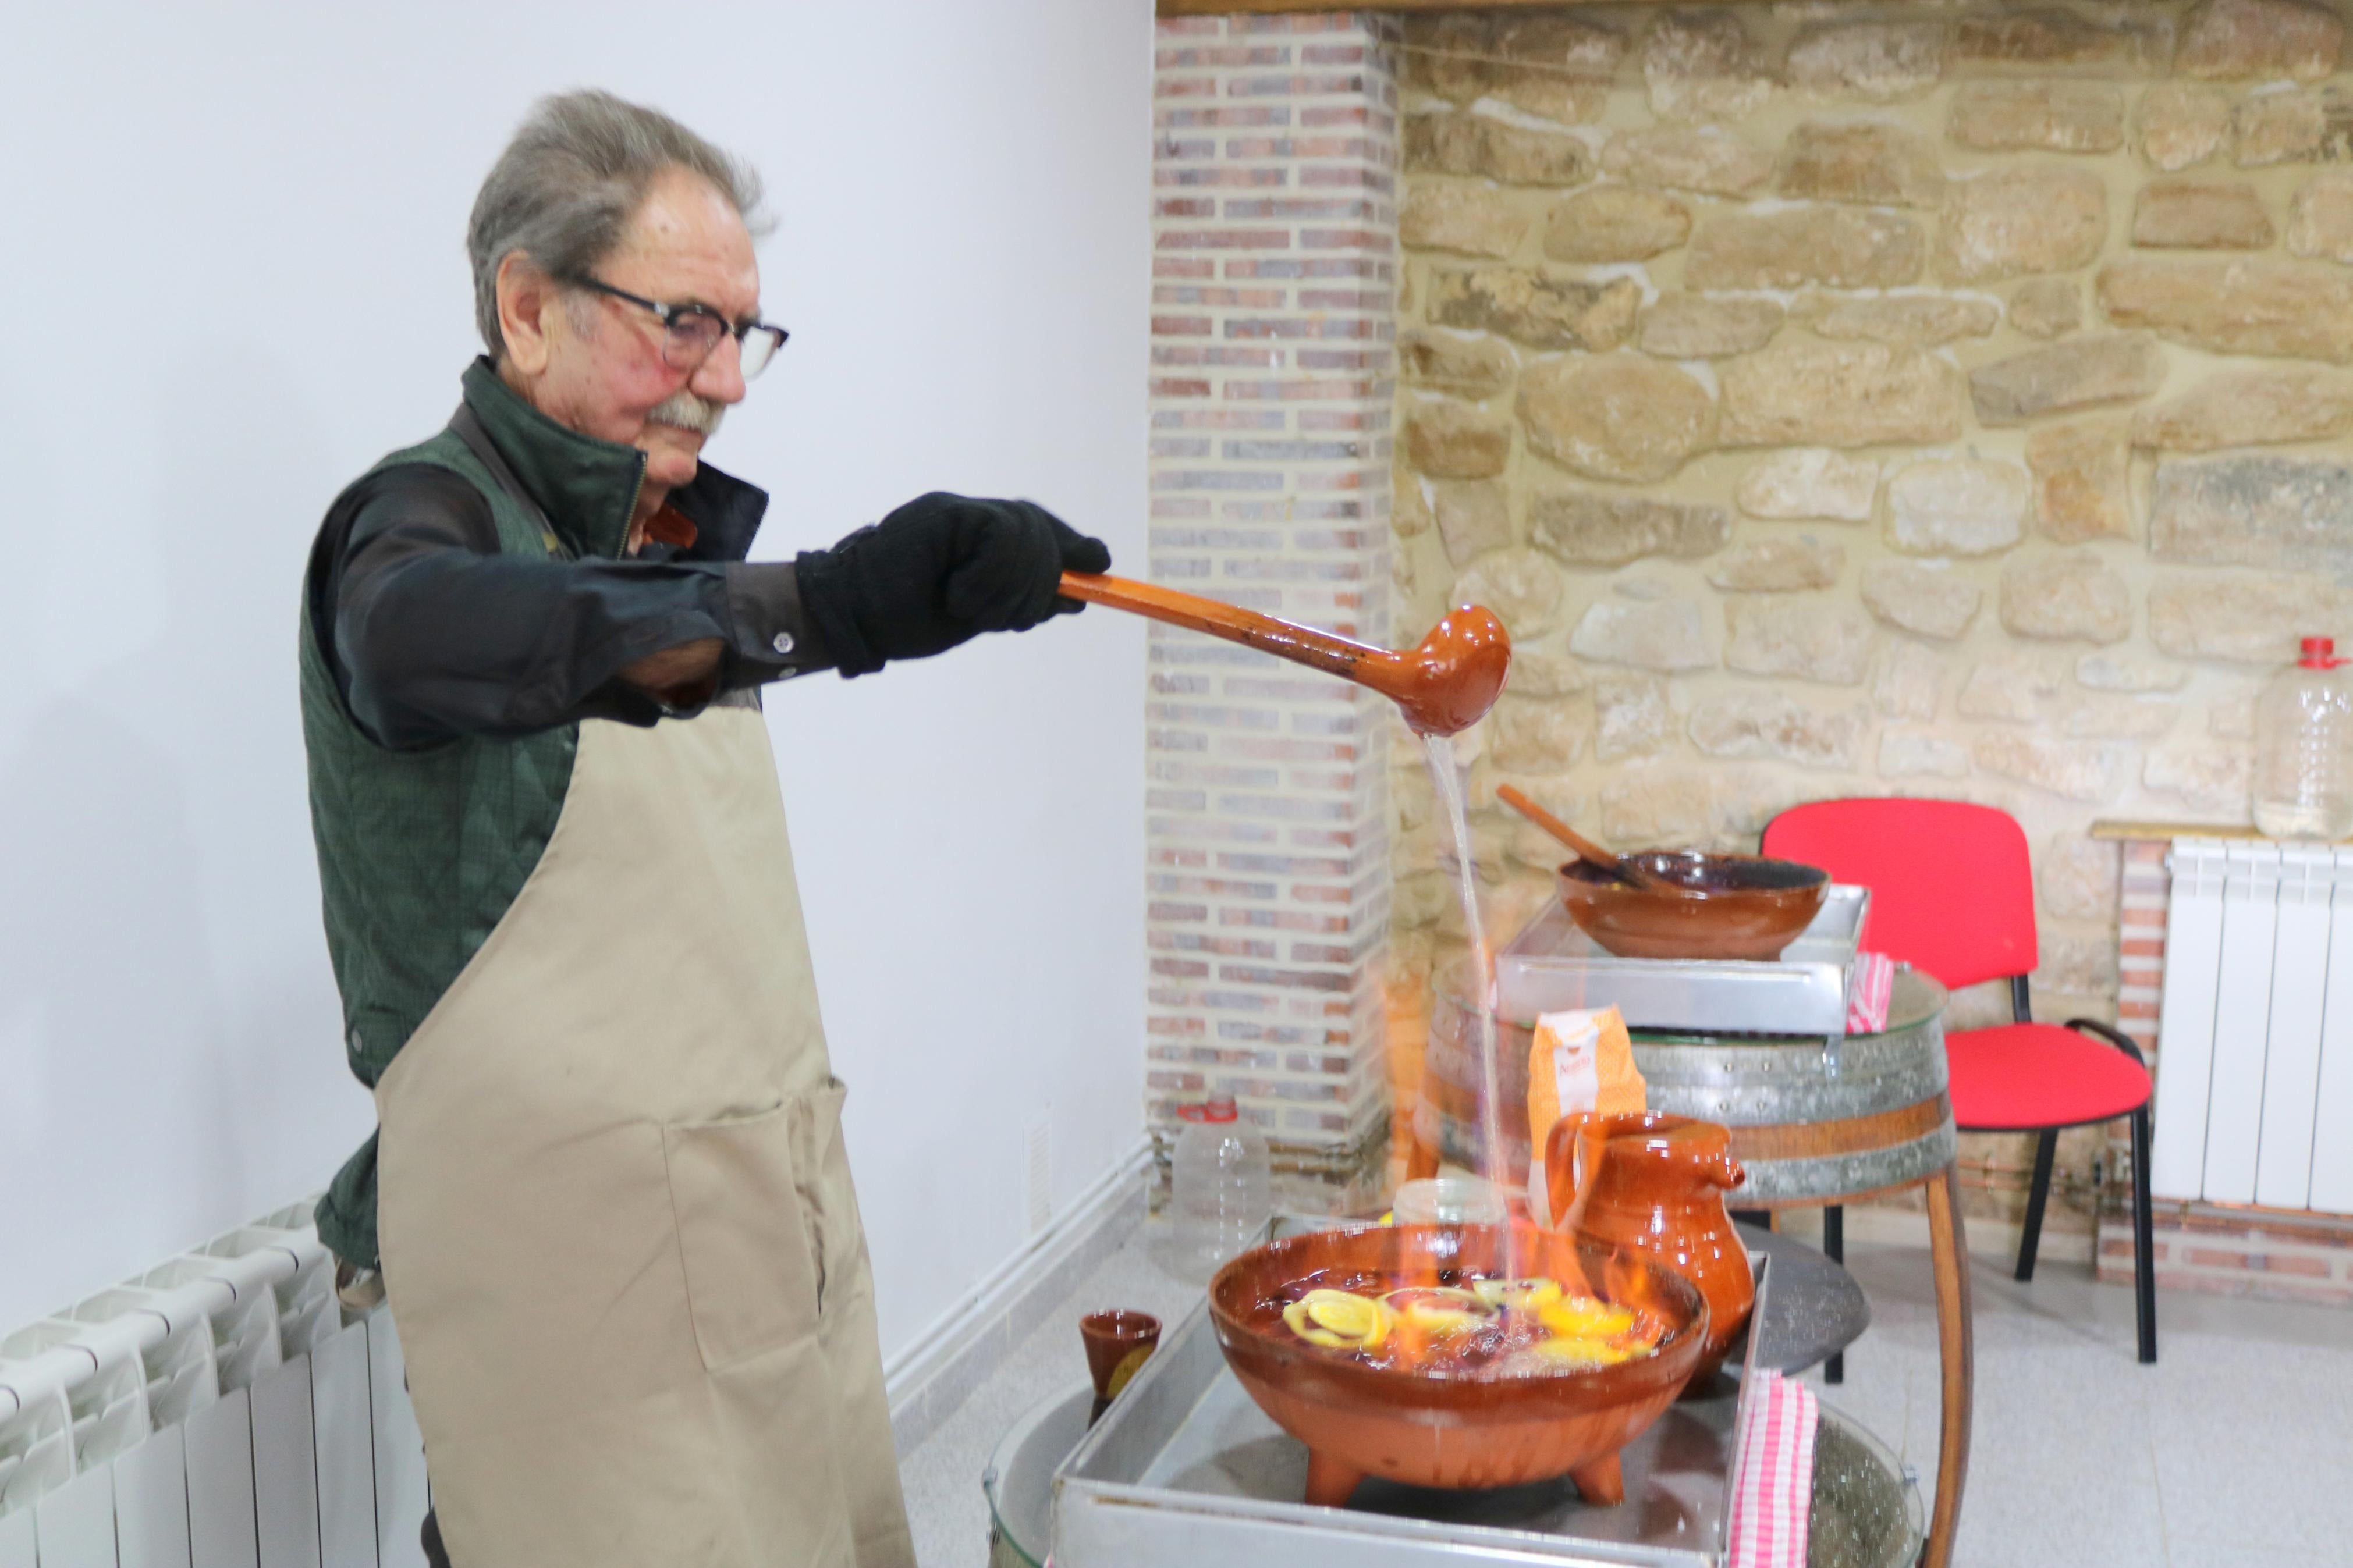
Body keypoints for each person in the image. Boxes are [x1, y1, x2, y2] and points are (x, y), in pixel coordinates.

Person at [298, 88, 1108, 1567]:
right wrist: (832, 605)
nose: (725, 378)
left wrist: (864, 612)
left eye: (744, 333)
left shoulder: (656, 547)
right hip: (574, 1307)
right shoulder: (421, 521)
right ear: (527, 307)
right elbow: (417, 638)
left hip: (760, 1244)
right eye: (685, 324)